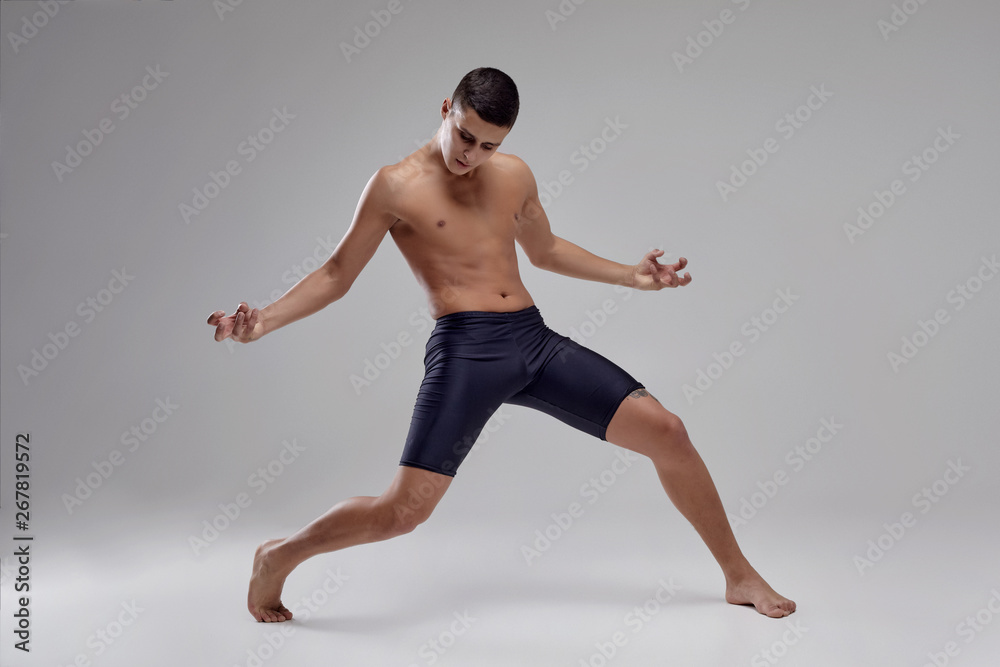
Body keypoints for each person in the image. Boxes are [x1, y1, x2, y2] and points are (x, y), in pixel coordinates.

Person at [207, 67, 796, 623]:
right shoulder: (393, 186)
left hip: (533, 342)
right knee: (402, 513)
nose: (471, 155)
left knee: (669, 432)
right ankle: (278, 557)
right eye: (464, 136)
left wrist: (629, 274)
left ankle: (738, 576)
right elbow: (337, 275)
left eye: (487, 145)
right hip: (466, 352)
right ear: (446, 108)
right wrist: (263, 322)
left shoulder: (513, 174)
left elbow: (545, 251)